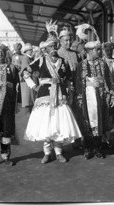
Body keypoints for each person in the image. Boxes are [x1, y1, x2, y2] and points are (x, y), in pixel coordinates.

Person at [24, 20, 82, 164]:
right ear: (46, 48)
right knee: (46, 125)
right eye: (51, 46)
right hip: (44, 95)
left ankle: (59, 153)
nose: (54, 48)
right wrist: (33, 86)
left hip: (60, 96)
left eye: (55, 45)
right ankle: (47, 152)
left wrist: (70, 93)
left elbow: (69, 79)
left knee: (59, 124)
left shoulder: (63, 61)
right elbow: (25, 72)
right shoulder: (41, 61)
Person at [75, 37, 114, 159]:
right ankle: (87, 149)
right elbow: (78, 82)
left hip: (101, 97)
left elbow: (109, 80)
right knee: (87, 122)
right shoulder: (81, 65)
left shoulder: (103, 64)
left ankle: (98, 148)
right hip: (87, 98)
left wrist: (112, 95)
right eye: (97, 50)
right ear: (90, 51)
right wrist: (80, 98)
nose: (100, 52)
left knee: (100, 122)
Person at [19, 43, 36, 115]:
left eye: (32, 50)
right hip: (28, 81)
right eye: (30, 50)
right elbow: (26, 69)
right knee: (28, 99)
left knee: (30, 99)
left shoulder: (30, 58)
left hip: (30, 80)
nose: (32, 51)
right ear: (26, 51)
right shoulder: (25, 58)